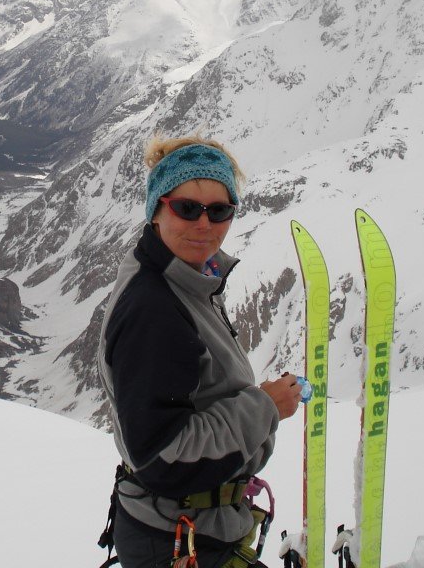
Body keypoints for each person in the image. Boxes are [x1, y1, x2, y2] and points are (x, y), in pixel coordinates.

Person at [97, 135, 303, 568]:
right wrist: (263, 407)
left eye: (220, 210)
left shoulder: (186, 277)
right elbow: (162, 455)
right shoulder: (155, 309)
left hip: (185, 528)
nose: (205, 224)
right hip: (178, 540)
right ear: (157, 208)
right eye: (186, 208)